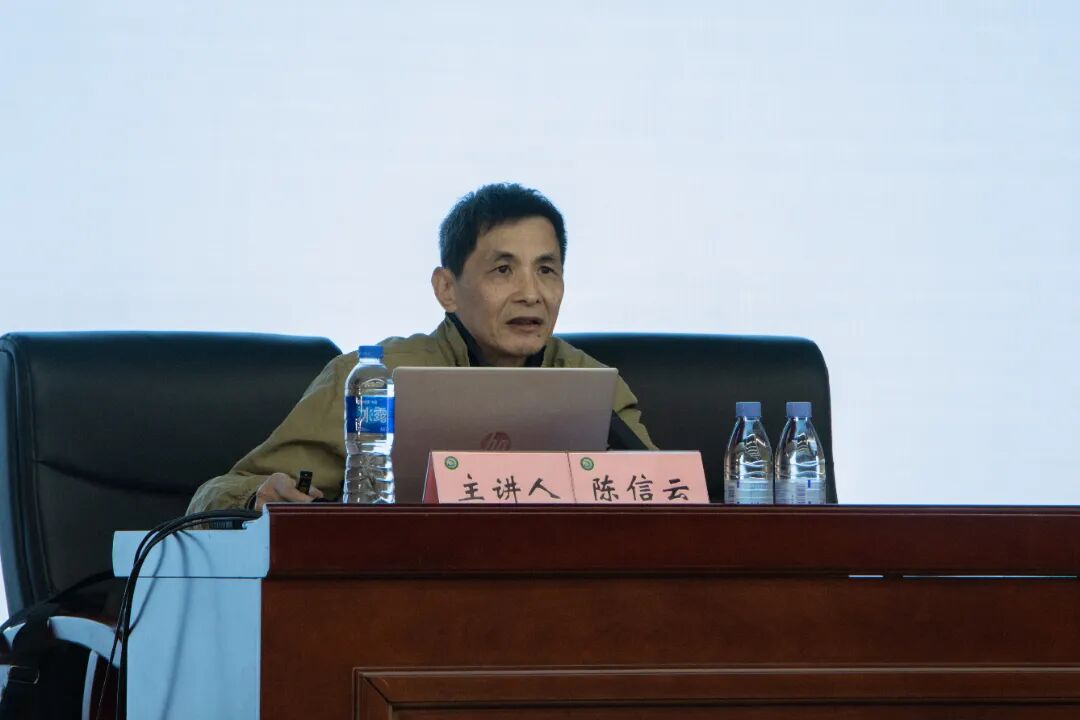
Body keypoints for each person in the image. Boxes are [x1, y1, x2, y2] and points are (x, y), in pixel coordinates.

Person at [187, 183, 656, 512]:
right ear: (447, 288)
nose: (531, 294)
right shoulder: (376, 379)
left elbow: (666, 495)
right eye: (503, 270)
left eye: (546, 270)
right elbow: (217, 493)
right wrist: (258, 497)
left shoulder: (596, 386)